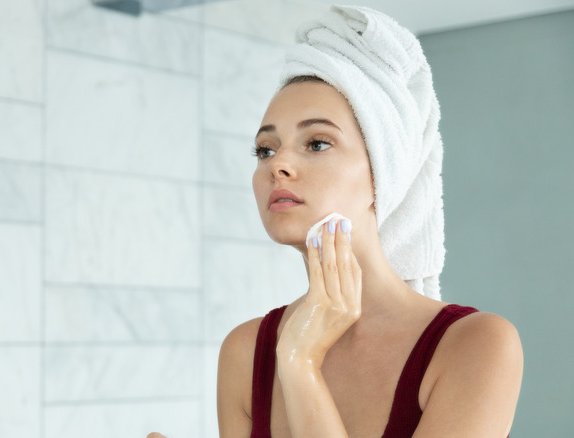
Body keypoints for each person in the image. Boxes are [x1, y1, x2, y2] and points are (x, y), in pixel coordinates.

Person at [149, 5, 522, 438]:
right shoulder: (245, 351)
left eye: (318, 142)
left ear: (384, 172)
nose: (279, 164)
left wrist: (301, 363)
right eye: (265, 150)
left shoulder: (475, 345)